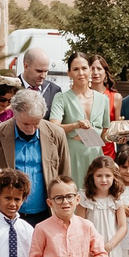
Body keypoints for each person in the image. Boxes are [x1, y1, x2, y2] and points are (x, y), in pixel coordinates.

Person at [0, 90, 72, 223]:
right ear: (14, 114)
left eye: (36, 123)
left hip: (46, 214)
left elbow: (64, 175)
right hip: (7, 216)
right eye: (25, 124)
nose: (30, 129)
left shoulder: (57, 134)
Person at [53, 51, 111, 185]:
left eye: (84, 68)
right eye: (76, 69)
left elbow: (104, 134)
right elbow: (54, 127)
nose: (81, 73)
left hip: (96, 157)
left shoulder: (103, 99)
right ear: (69, 73)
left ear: (90, 70)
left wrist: (116, 136)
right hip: (72, 157)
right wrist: (75, 125)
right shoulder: (62, 98)